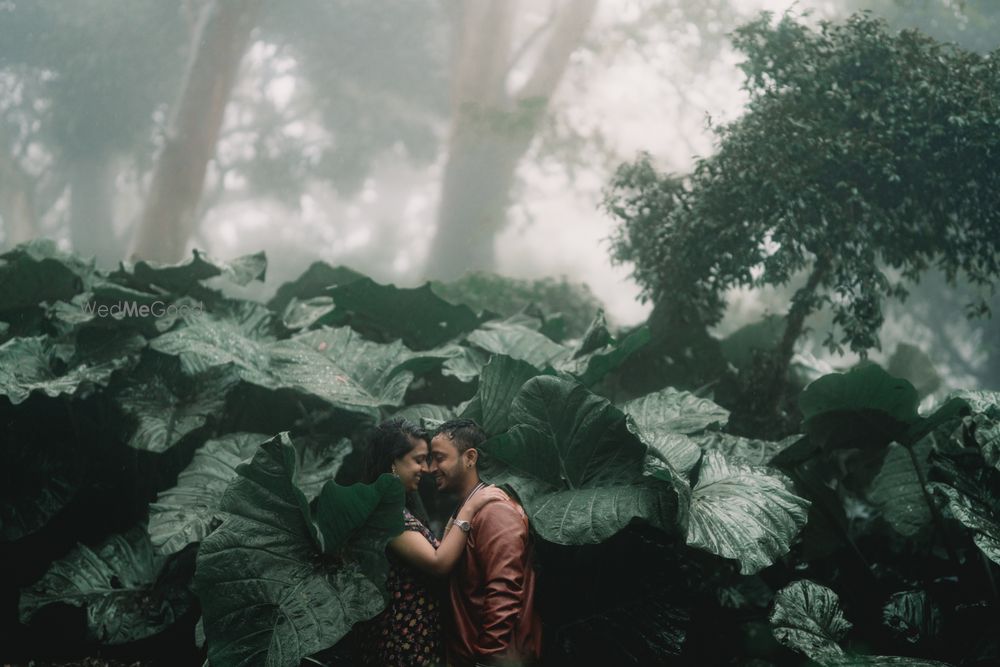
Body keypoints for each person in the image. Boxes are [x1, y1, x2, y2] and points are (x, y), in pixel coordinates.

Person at [354, 417, 506, 667]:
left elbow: (435, 548)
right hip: (402, 644)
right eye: (418, 460)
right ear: (393, 463)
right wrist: (473, 505)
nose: (426, 469)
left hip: (416, 639)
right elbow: (438, 563)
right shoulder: (383, 514)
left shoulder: (397, 509)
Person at [428, 418, 543, 667]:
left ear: (470, 457)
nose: (430, 468)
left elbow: (504, 591)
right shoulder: (468, 510)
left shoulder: (495, 513)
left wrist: (487, 658)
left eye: (439, 458)